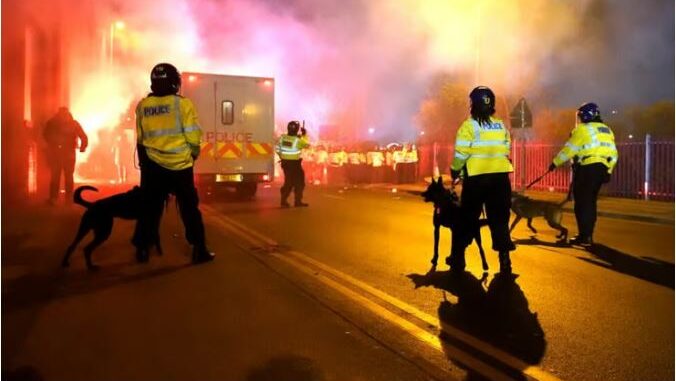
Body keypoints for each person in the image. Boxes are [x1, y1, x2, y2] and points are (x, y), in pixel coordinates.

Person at [132, 62, 214, 264]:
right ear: (175, 83)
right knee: (189, 209)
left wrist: (145, 164)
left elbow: (141, 139)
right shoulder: (182, 104)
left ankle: (142, 248)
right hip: (180, 167)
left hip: (152, 167)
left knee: (149, 209)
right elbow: (193, 136)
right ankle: (199, 249)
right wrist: (193, 154)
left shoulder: (143, 106)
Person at [449, 86, 515, 273]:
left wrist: (455, 170)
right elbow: (506, 148)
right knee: (500, 220)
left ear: (472, 104)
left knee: (467, 218)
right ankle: (505, 260)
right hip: (500, 180)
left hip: (476, 180)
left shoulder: (468, 126)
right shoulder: (500, 125)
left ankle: (458, 258)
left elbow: (461, 153)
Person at [549, 102, 618, 246]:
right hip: (602, 169)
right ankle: (588, 235)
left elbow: (569, 150)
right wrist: (609, 170)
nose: (579, 119)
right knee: (590, 203)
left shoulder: (582, 129)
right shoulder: (607, 130)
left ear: (585, 116)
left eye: (580, 116)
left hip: (587, 168)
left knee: (581, 204)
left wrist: (555, 163)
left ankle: (584, 236)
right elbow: (614, 153)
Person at [43, 107, 88, 205]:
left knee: (56, 175)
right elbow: (83, 136)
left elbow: (45, 135)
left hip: (57, 153)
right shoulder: (73, 123)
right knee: (68, 176)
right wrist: (83, 147)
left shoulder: (52, 122)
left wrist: (52, 143)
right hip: (68, 153)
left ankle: (54, 198)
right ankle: (68, 198)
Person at [275, 120, 310, 207]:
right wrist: (304, 135)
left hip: (285, 164)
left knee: (288, 182)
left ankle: (283, 200)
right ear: (297, 129)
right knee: (299, 183)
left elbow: (277, 149)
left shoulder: (283, 138)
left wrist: (283, 157)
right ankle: (297, 201)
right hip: (295, 164)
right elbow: (307, 145)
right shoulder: (298, 140)